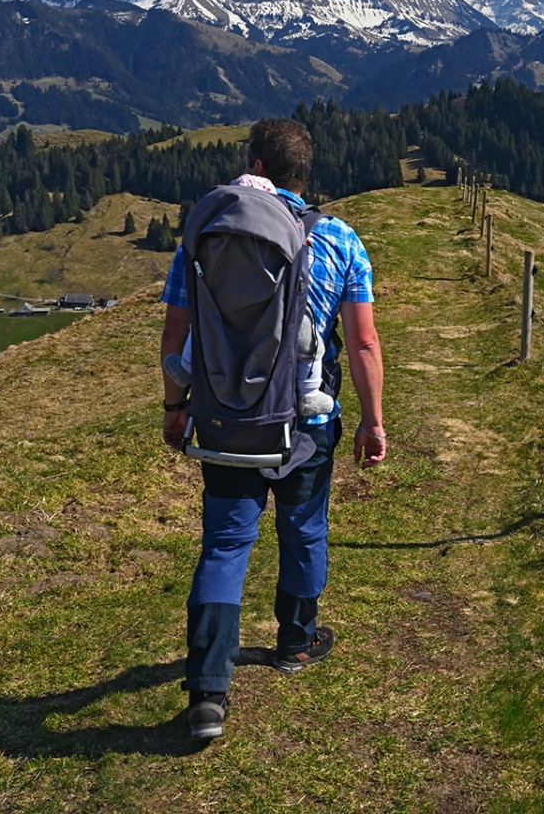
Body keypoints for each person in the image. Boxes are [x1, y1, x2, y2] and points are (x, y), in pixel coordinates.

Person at [160, 118, 386, 741]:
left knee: (226, 544)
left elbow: (176, 335)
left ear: (253, 163)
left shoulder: (205, 233)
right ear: (302, 174)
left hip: (227, 418)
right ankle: (296, 639)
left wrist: (175, 408)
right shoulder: (340, 239)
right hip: (308, 420)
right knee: (304, 528)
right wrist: (372, 421)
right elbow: (363, 341)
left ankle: (207, 691)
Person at [162, 172, 332, 418]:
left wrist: (174, 406)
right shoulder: (285, 229)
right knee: (310, 343)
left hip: (215, 414)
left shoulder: (212, 237)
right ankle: (308, 393)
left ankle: (186, 367)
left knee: (202, 327)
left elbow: (175, 328)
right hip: (277, 409)